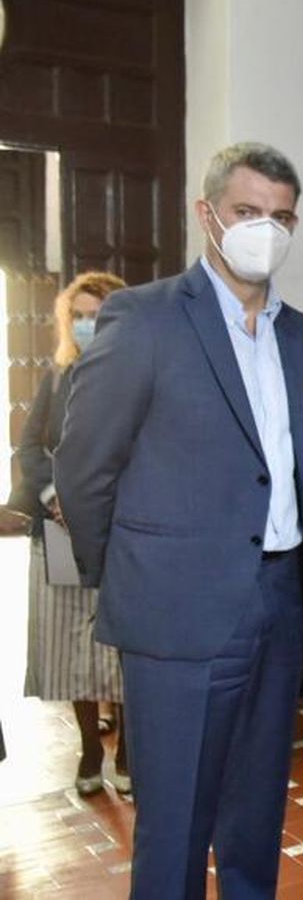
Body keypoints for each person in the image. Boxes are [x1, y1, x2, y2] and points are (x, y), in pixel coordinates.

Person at [55, 142, 303, 900]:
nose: (263, 229)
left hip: (278, 602)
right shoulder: (143, 318)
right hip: (174, 611)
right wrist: (135, 573)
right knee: (174, 825)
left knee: (256, 816)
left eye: (280, 216)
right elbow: (83, 470)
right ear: (207, 215)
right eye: (247, 212)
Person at [12, 271, 130, 795]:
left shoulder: (139, 375)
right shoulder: (57, 377)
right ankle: (88, 749)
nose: (87, 325)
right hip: (59, 531)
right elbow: (29, 449)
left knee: (121, 646)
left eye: (97, 315)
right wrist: (52, 497)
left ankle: (129, 752)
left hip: (121, 532)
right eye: (78, 316)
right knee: (69, 650)